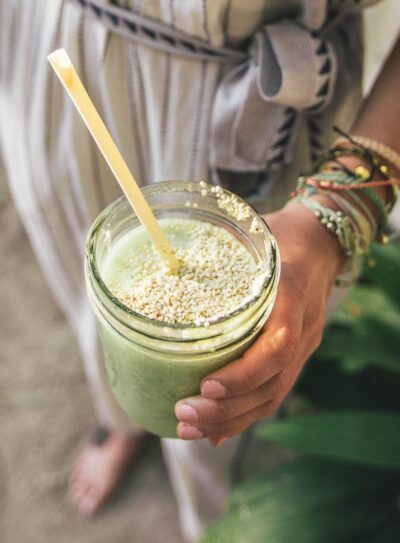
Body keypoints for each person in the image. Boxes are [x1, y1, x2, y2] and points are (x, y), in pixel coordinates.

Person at [1, 0, 399, 541]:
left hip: (263, 100)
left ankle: (212, 515)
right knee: (81, 279)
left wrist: (337, 211)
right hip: (64, 52)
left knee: (234, 397)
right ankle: (118, 416)